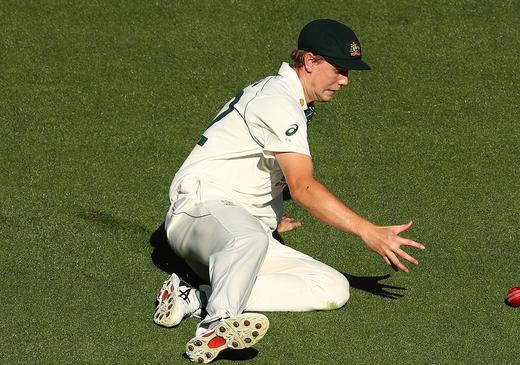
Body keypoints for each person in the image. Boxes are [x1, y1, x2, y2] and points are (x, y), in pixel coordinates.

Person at [153, 18, 425, 363]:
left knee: (332, 288)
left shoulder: (290, 101)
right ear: (310, 61)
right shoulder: (277, 101)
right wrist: (367, 231)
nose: (345, 80)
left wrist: (270, 213)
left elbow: (260, 165)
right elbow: (304, 186)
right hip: (199, 210)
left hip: (232, 229)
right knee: (248, 237)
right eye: (340, 69)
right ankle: (214, 325)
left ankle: (192, 298)